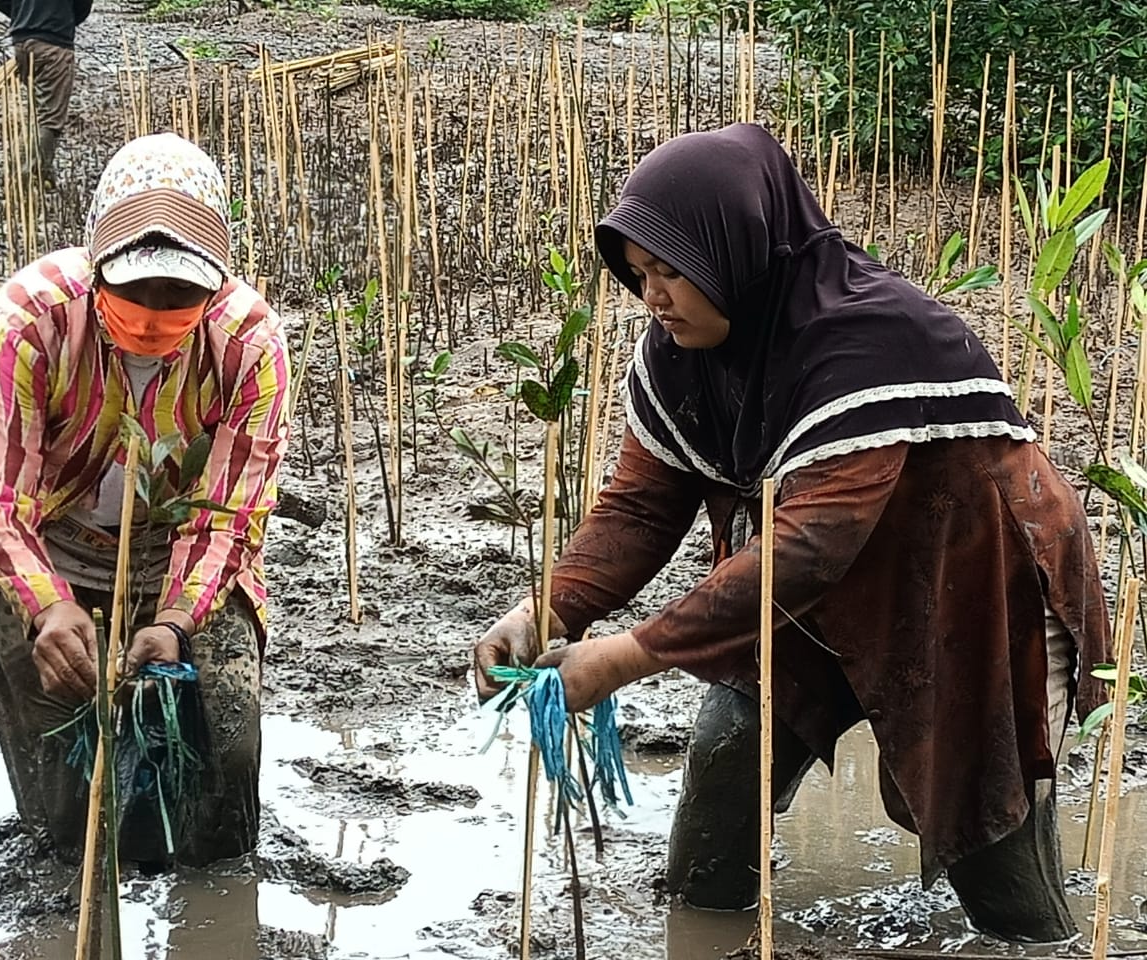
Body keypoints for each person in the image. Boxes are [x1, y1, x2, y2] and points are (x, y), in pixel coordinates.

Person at [473, 124, 1111, 944]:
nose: (654, 297)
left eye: (671, 271)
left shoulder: (872, 337)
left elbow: (810, 543)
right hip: (810, 591)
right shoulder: (680, 354)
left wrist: (628, 655)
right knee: (725, 763)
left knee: (991, 843)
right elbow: (640, 507)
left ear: (739, 254)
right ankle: (711, 926)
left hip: (965, 580)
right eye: (638, 276)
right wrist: (545, 613)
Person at [0, 133, 290, 867]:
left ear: (215, 283)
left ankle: (211, 882)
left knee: (226, 750)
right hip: (36, 545)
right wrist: (49, 607)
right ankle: (67, 875)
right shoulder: (33, 316)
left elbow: (229, 513)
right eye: (133, 291)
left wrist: (177, 621)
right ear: (97, 272)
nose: (154, 315)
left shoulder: (249, 341)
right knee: (65, 777)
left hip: (177, 553)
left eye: (179, 294)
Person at [0, 0, 92, 184]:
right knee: (49, 118)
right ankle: (27, 176)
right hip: (54, 44)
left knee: (36, 115)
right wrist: (63, 18)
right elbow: (82, 7)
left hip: (22, 43)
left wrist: (22, 16)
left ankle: (33, 172)